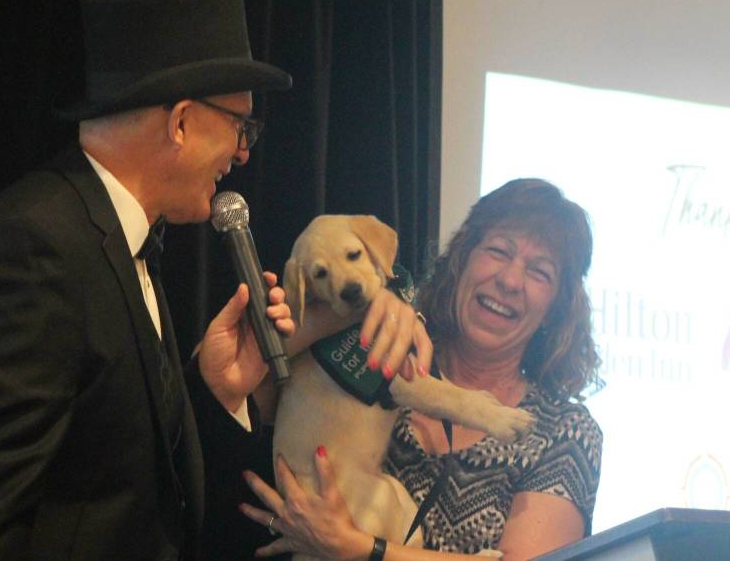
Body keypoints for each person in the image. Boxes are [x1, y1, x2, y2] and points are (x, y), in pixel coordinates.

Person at [0, 0, 303, 560]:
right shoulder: (35, 251)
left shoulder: (113, 233)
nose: (242, 152)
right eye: (242, 126)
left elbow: (108, 469)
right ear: (181, 122)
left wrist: (210, 389)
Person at [240, 178, 604, 561]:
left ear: (557, 307)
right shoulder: (391, 347)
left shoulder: (563, 431)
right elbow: (244, 392)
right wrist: (362, 309)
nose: (510, 281)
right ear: (462, 259)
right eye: (499, 251)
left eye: (540, 272)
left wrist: (360, 549)